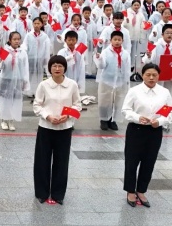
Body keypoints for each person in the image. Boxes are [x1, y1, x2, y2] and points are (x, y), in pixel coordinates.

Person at [32, 55, 82, 205]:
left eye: (60, 66)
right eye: (54, 66)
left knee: (62, 162)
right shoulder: (44, 85)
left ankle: (58, 194)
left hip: (65, 128)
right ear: (50, 68)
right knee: (42, 161)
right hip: (46, 127)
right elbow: (37, 105)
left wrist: (67, 116)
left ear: (65, 68)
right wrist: (48, 116)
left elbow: (78, 105)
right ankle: (42, 192)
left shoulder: (72, 85)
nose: (57, 68)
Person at [121, 63, 172, 207]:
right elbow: (125, 110)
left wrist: (160, 121)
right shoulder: (134, 91)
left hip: (155, 131)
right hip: (136, 130)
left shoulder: (164, 92)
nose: (151, 78)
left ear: (158, 76)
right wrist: (138, 117)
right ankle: (130, 191)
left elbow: (169, 112)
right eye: (148, 74)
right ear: (142, 75)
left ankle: (141, 190)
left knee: (149, 162)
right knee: (132, 161)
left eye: (154, 75)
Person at [94, 31, 131, 131]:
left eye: (119, 40)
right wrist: (100, 59)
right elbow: (102, 66)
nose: (117, 42)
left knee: (117, 101)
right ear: (110, 41)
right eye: (115, 39)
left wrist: (127, 82)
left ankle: (113, 120)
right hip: (107, 80)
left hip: (120, 81)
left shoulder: (125, 54)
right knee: (104, 101)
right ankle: (103, 120)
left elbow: (127, 69)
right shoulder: (106, 52)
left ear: (122, 41)